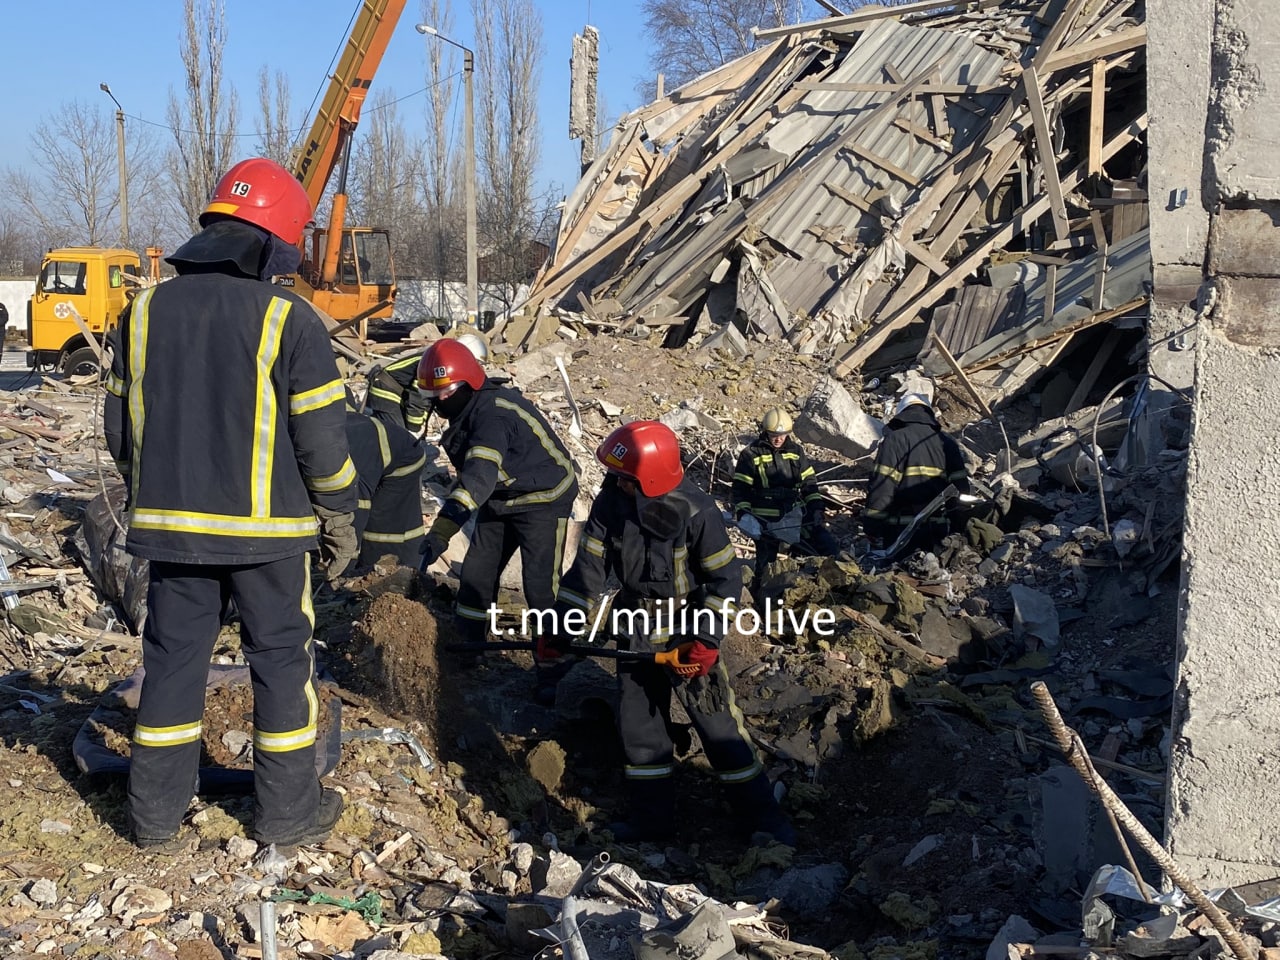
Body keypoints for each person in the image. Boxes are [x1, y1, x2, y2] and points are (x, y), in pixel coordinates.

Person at [104, 157, 359, 850]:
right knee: (281, 664)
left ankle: (154, 820)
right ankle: (287, 815)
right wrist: (338, 516)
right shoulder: (289, 319)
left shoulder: (143, 311)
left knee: (173, 664)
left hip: (171, 533)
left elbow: (121, 430)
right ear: (277, 240)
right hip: (269, 540)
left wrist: (152, 497)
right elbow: (323, 444)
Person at [548, 420, 795, 846]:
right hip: (634, 633)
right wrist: (560, 629)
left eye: (624, 478)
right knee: (640, 732)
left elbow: (725, 580)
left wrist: (707, 640)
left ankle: (764, 820)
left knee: (719, 728)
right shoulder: (611, 504)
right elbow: (586, 574)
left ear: (650, 479)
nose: (614, 483)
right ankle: (652, 823)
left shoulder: (697, 512)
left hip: (687, 634)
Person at [416, 338, 578, 699]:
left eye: (447, 392)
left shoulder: (493, 415)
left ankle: (552, 667)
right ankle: (468, 650)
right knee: (477, 573)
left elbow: (478, 477)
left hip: (543, 495)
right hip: (503, 497)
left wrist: (443, 529)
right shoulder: (464, 411)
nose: (441, 400)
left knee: (540, 587)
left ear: (469, 382)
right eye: (435, 395)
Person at [732, 407, 836, 583]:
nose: (779, 439)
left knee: (820, 549)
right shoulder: (751, 454)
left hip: (793, 516)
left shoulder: (796, 452)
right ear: (765, 431)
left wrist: (816, 509)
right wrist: (745, 515)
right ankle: (762, 596)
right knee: (766, 567)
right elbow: (740, 489)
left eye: (783, 434)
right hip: (764, 520)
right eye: (774, 434)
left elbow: (809, 484)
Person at [862, 393, 970, 549]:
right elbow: (961, 490)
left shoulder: (895, 440)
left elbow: (883, 486)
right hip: (939, 532)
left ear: (902, 414)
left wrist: (872, 526)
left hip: (901, 532)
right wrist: (957, 527)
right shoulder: (948, 442)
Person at [344, 394, 426, 570]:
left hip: (403, 461)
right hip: (389, 453)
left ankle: (393, 574)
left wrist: (345, 560)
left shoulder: (348, 439)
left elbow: (356, 504)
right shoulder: (340, 427)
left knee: (385, 531)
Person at [366, 332, 488, 438]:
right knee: (397, 438)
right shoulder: (435, 361)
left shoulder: (443, 359)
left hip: (398, 388)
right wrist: (414, 429)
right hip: (386, 388)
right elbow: (419, 395)